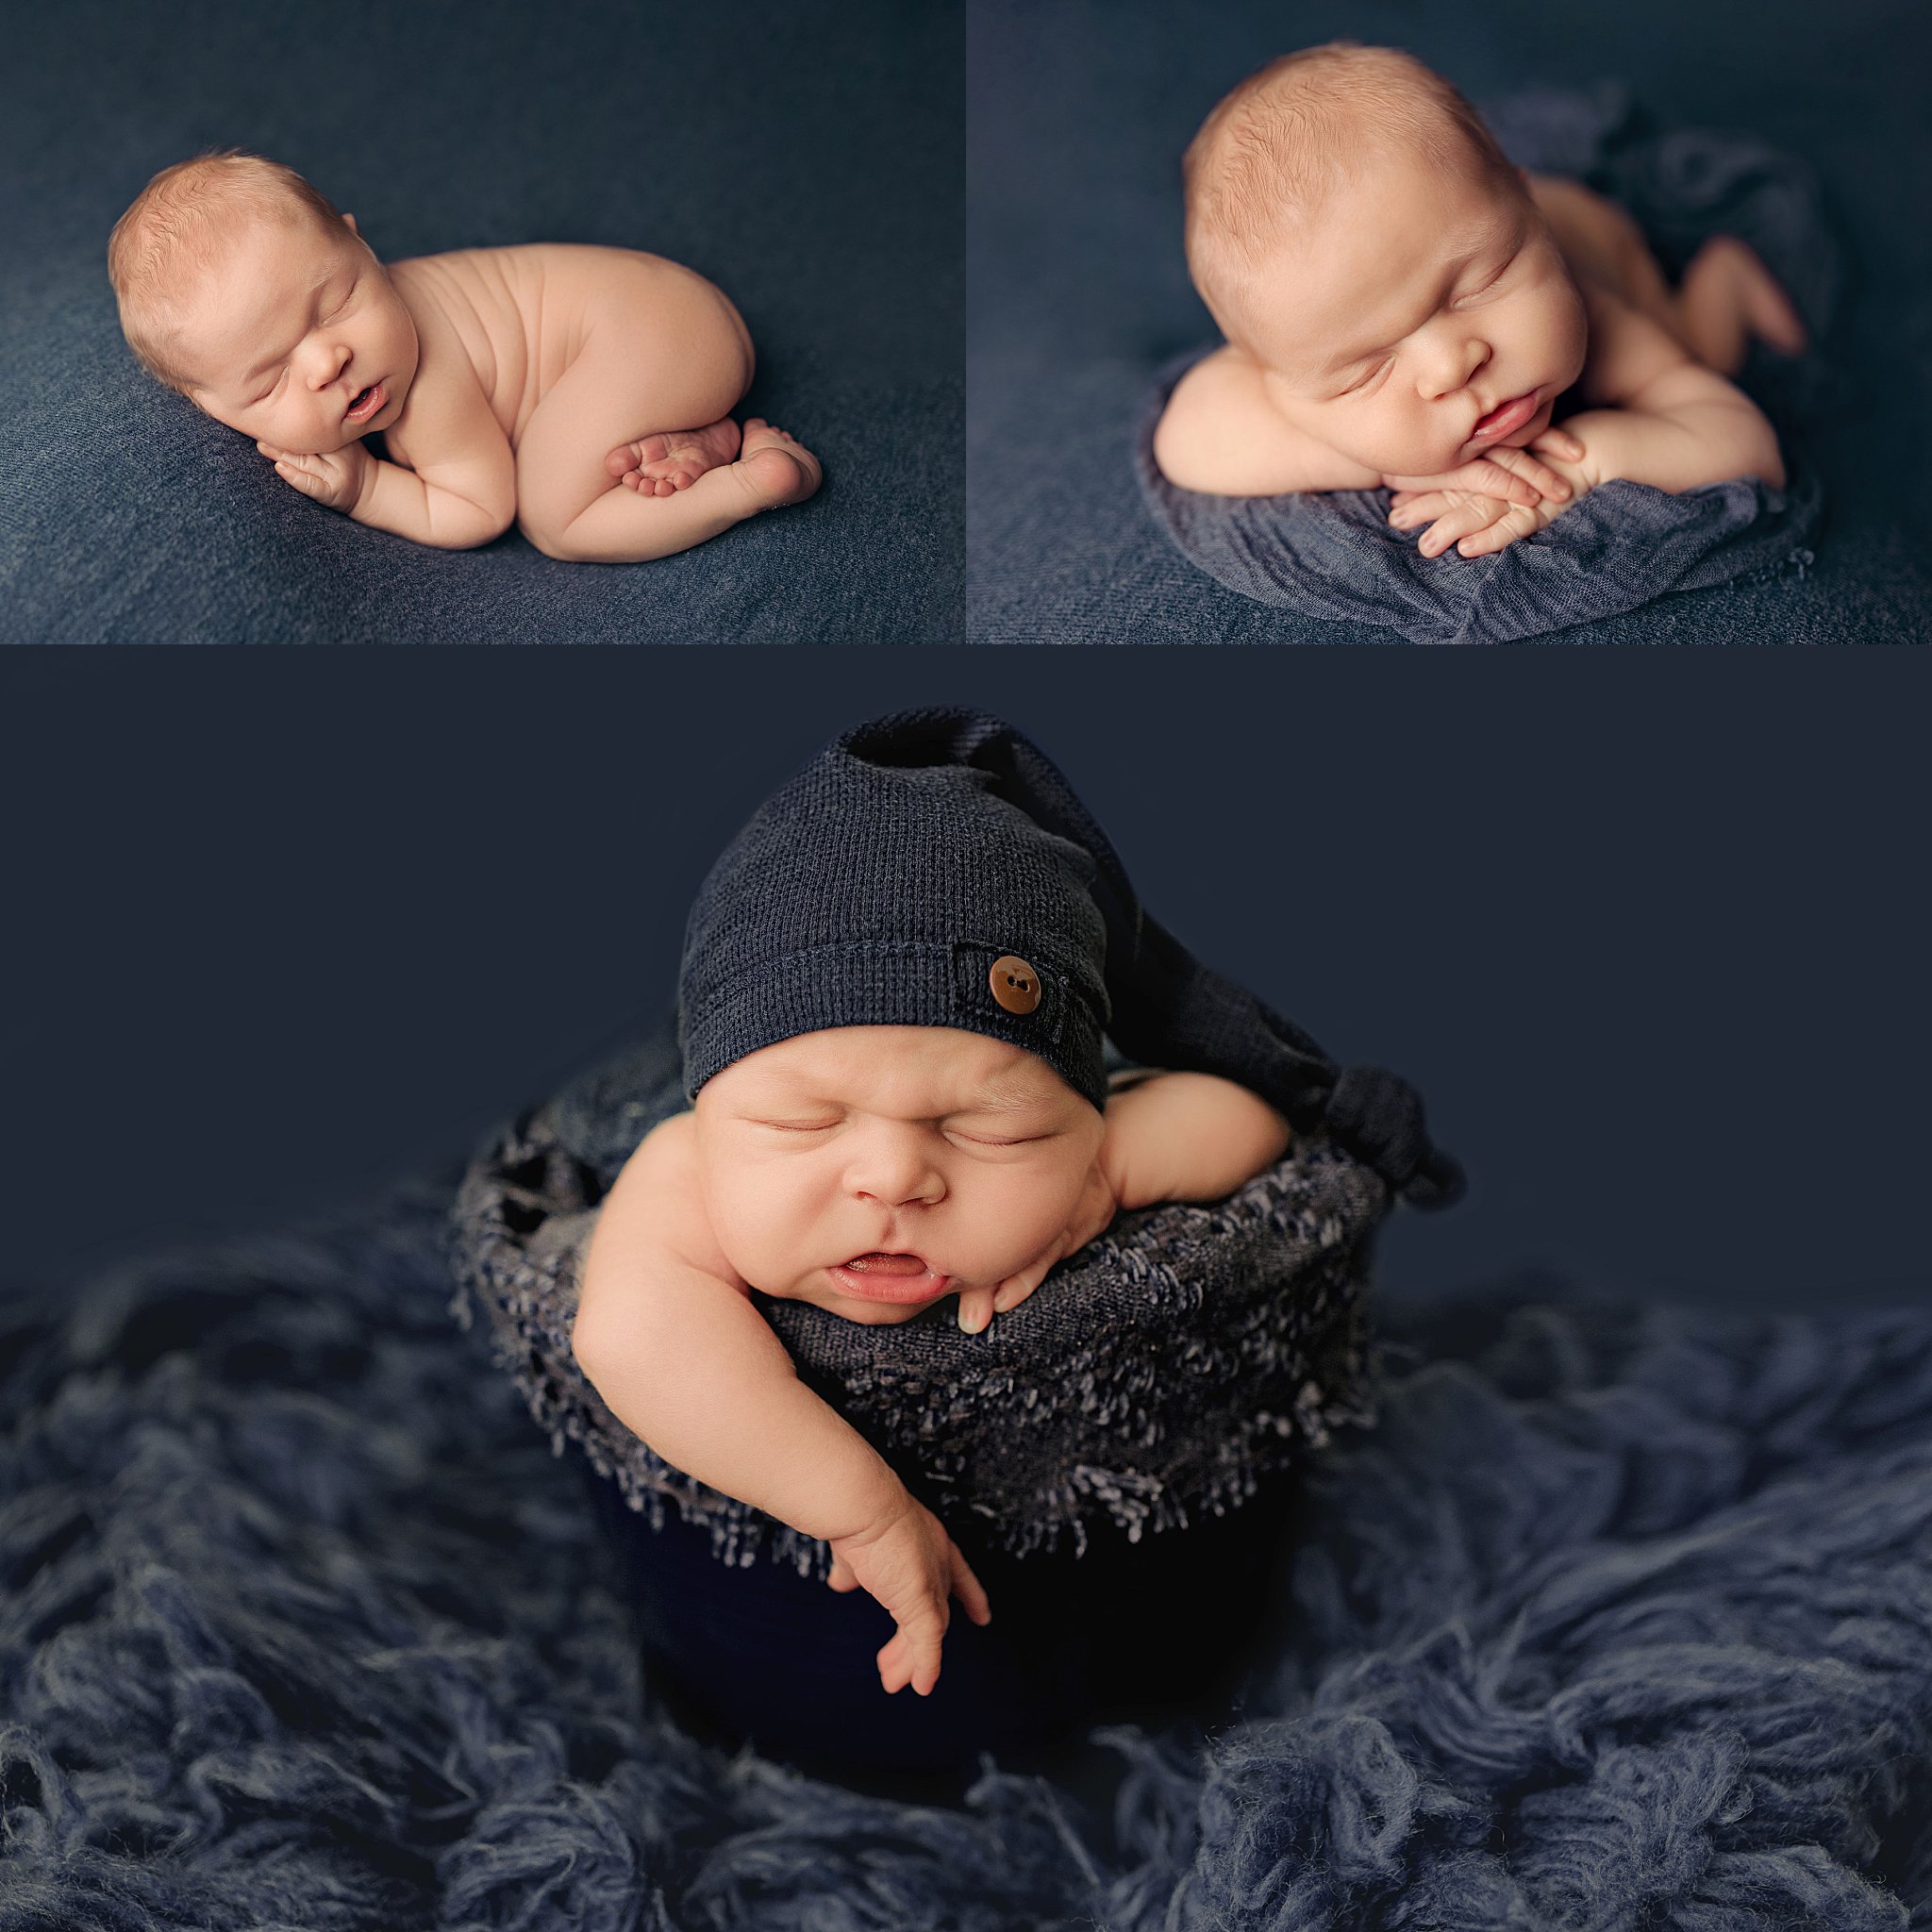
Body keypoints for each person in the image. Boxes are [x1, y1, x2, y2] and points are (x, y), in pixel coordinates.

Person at [570, 708, 1460, 1715]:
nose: (894, 1176)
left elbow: (1248, 1114)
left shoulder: (1091, 1134)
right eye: (801, 1121)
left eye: (990, 1131)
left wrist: (1110, 1172)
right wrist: (861, 1510)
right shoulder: (687, 1162)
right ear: (708, 1106)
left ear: (1083, 1109)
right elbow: (633, 1332)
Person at [1153, 44, 1805, 560]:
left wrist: (1583, 463)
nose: (1452, 366)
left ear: (1529, 223)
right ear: (1276, 378)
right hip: (1472, 215)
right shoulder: (1303, 338)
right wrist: (1381, 456)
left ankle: (1721, 280)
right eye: (1367, 370)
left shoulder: (1595, 313)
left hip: (1599, 237)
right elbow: (1186, 437)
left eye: (1479, 284)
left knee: (1705, 354)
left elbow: (1744, 444)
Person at [108, 152, 820, 561]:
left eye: (335, 305)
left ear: (365, 249)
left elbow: (483, 507)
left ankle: (752, 482)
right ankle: (699, 435)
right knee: (573, 440)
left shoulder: (422, 384)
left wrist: (368, 489)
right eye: (271, 378)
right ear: (207, 407)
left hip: (649, 335)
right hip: (674, 325)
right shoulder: (378, 335)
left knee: (556, 519)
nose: (328, 361)